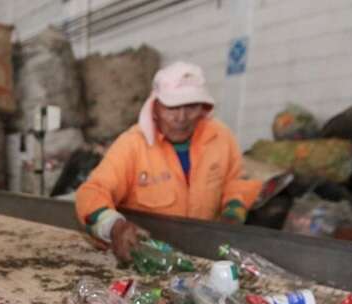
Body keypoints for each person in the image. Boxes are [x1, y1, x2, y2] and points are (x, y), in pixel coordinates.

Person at [75, 61, 262, 262]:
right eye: (172, 107)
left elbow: (237, 181)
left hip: (206, 257)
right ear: (155, 106)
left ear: (203, 108)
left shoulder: (221, 138)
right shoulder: (133, 145)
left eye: (191, 106)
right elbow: (92, 191)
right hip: (149, 256)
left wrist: (233, 213)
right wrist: (114, 226)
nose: (181, 117)